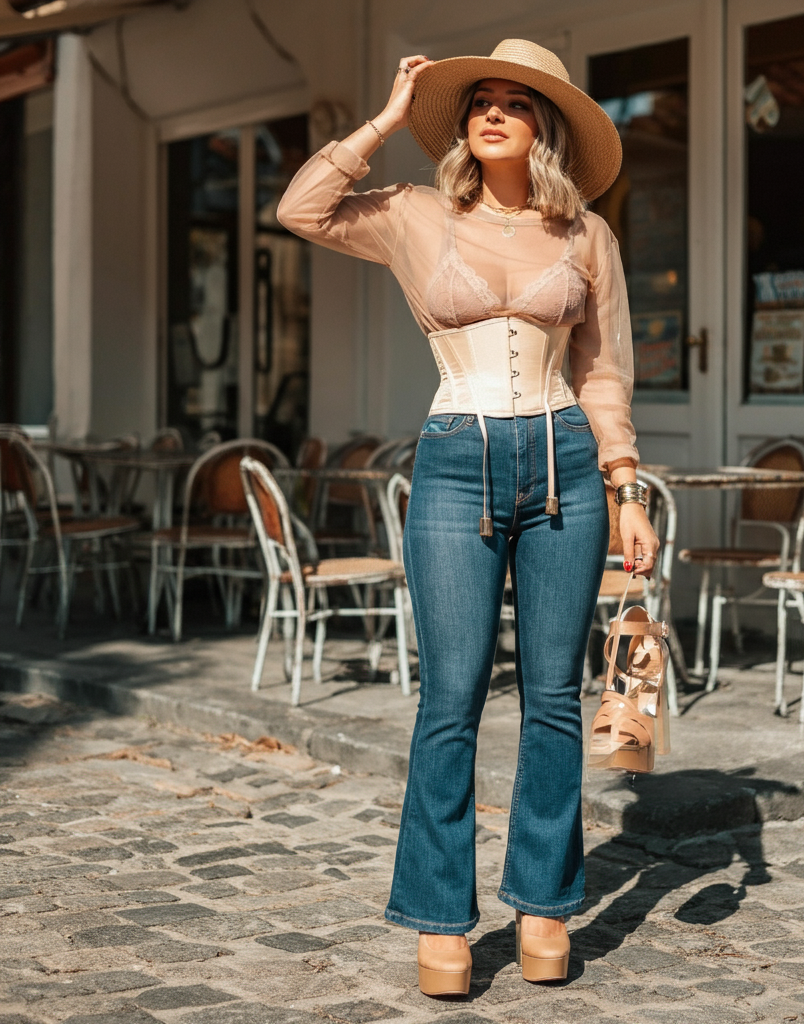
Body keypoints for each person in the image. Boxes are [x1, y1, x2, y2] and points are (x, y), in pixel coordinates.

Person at [277, 38, 660, 997]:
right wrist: (385, 121)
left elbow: (603, 371)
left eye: (515, 103)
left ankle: (543, 902)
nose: (492, 113)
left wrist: (626, 486)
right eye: (479, 101)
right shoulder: (412, 214)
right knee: (449, 702)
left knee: (551, 702)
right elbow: (300, 208)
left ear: (545, 128)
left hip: (567, 461)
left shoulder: (587, 237)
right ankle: (442, 916)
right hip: (454, 463)